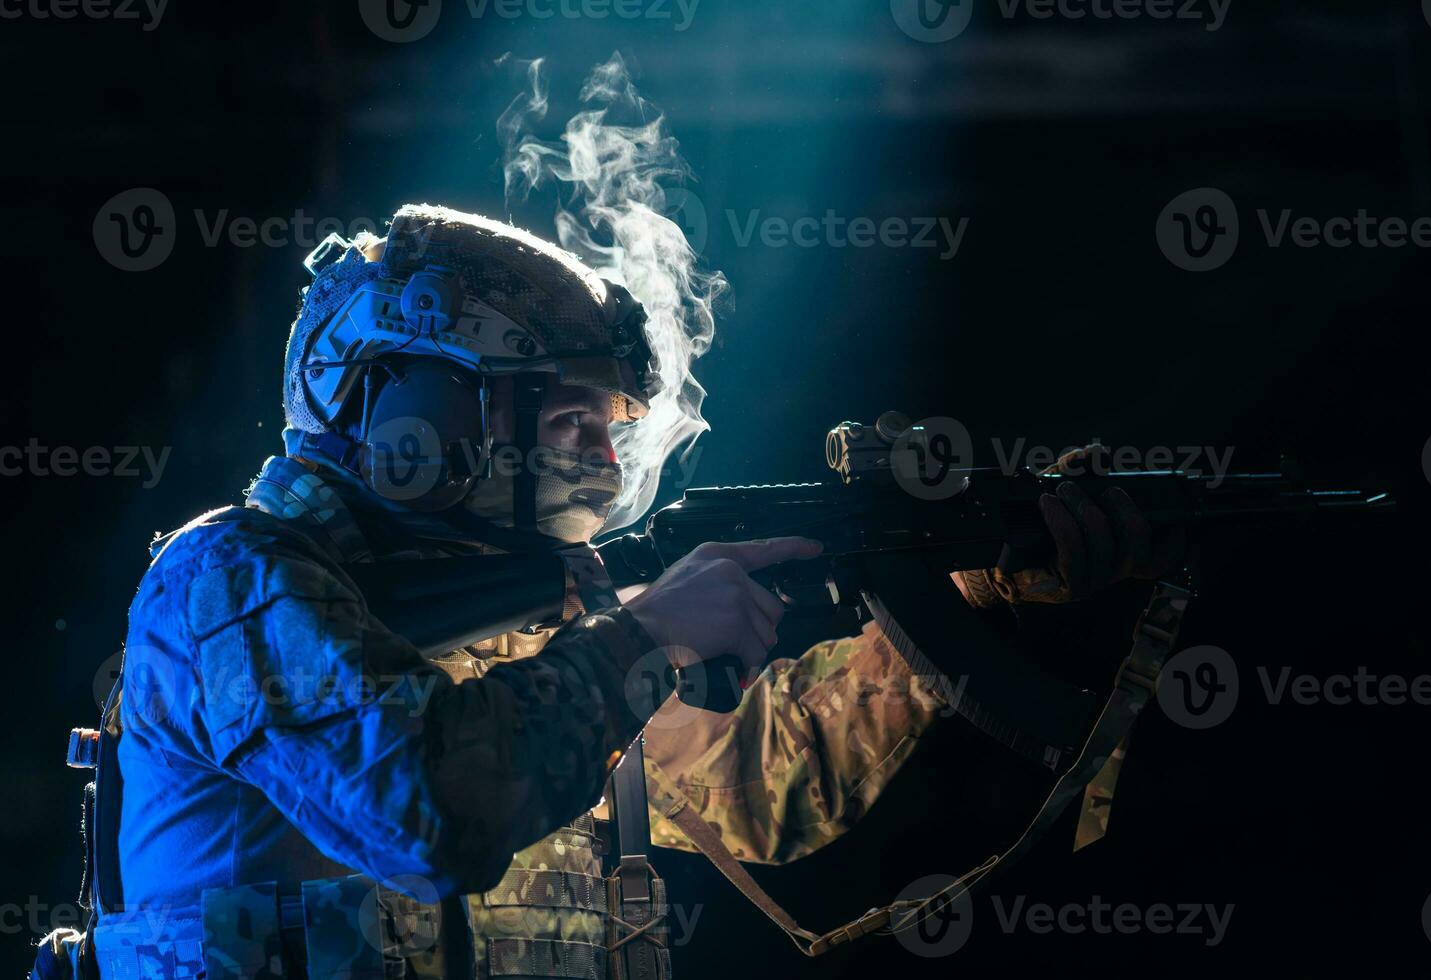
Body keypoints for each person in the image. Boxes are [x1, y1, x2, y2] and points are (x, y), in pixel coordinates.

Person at [78, 204, 1160, 979]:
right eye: (563, 419)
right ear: (418, 414)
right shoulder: (226, 579)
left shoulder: (544, 623)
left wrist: (955, 595)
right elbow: (424, 808)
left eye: (607, 424)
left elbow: (765, 786)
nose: (598, 459)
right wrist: (640, 634)